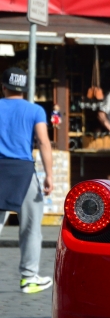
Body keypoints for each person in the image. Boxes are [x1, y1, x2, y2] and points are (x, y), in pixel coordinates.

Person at [0, 67, 54, 293]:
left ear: (3, 86)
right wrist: (49, 175)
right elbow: (43, 142)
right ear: (25, 88)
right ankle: (29, 277)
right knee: (31, 225)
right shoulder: (35, 110)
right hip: (23, 171)